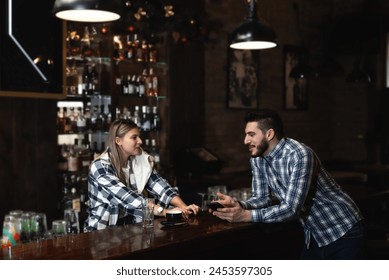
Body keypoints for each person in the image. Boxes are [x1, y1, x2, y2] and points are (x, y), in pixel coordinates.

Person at [210, 108, 365, 259]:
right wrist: (240, 205)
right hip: (315, 234)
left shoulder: (299, 155)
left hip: (343, 229)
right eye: (246, 135)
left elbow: (291, 209)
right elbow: (262, 198)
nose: (245, 141)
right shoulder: (257, 159)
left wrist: (245, 216)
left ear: (269, 134)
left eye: (251, 134)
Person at [84, 118, 200, 231]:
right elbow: (128, 198)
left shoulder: (138, 160)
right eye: (134, 137)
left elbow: (159, 185)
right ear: (118, 141)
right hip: (101, 234)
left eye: (138, 136)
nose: (140, 141)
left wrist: (183, 207)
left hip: (129, 230)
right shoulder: (100, 167)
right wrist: (164, 211)